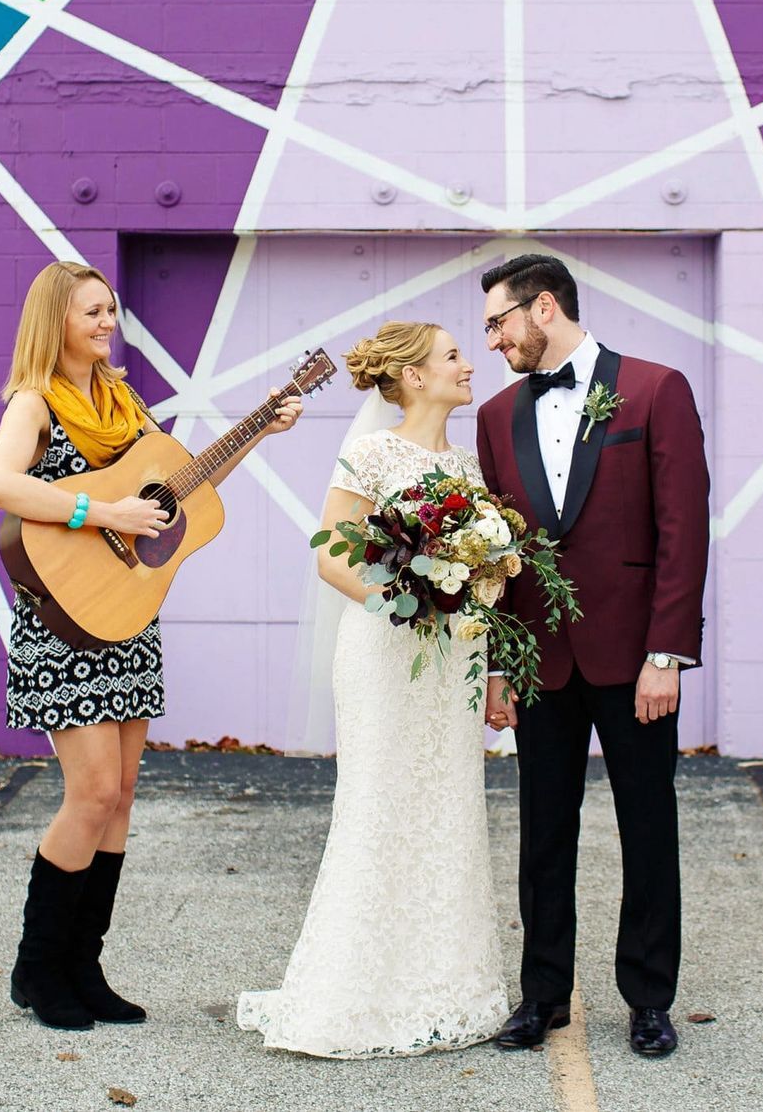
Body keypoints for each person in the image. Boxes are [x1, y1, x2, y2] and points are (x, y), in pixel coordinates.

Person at [0, 261, 300, 1030]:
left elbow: (181, 483)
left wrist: (260, 430)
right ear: (54, 319)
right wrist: (103, 512)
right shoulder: (36, 402)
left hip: (125, 622)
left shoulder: (122, 403)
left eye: (110, 311)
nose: (105, 323)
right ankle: (37, 969)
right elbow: (0, 484)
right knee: (89, 794)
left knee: (120, 799)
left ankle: (84, 968)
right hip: (61, 624)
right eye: (91, 312)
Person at [238, 322, 508, 1057]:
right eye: (454, 355)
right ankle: (350, 995)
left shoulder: (469, 465)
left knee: (448, 809)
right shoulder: (373, 450)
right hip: (384, 652)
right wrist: (408, 603)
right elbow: (332, 555)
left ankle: (444, 986)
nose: (468, 364)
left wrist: (476, 629)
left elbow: (485, 576)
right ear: (415, 376)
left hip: (450, 662)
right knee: (379, 807)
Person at [473, 254, 709, 1058]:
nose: (493, 340)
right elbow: (495, 550)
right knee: (542, 832)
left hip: (636, 656)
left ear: (544, 308)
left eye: (499, 322)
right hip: (541, 661)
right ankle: (542, 996)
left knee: (648, 827)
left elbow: (684, 532)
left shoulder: (655, 388)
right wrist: (500, 667)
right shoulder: (496, 414)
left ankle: (648, 998)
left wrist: (667, 653)